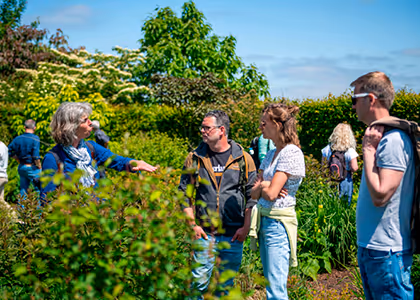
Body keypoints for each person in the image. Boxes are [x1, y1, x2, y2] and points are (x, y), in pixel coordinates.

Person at [178, 110, 257, 299]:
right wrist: (192, 225)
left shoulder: (243, 158)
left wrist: (246, 227)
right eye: (202, 127)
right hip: (205, 234)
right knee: (197, 284)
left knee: (225, 287)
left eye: (207, 128)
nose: (202, 131)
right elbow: (184, 194)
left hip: (233, 236)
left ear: (221, 130)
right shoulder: (195, 157)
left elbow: (252, 196)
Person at [351, 71, 414, 299]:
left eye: (354, 99)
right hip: (374, 249)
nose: (352, 106)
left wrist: (368, 151)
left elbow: (380, 195)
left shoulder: (393, 140)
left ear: (371, 99)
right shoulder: (383, 138)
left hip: (387, 252)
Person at [41, 102, 157, 204]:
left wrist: (135, 163)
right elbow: (47, 200)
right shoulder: (53, 158)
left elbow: (118, 161)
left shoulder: (91, 148)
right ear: (71, 126)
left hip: (97, 215)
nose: (90, 123)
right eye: (85, 120)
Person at [249, 103, 305, 300]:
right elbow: (254, 192)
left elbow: (271, 194)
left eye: (263, 123)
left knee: (276, 289)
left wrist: (264, 187)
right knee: (271, 285)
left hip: (278, 224)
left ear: (277, 124)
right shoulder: (272, 154)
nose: (260, 128)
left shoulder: (291, 153)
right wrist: (266, 185)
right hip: (265, 220)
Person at [321, 123, 359, 205]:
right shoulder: (349, 150)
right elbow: (355, 167)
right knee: (345, 205)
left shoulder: (327, 149)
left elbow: (323, 166)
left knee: (332, 203)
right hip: (345, 179)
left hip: (332, 180)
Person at [8, 119, 41, 196]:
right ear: (34, 128)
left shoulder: (17, 139)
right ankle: (39, 208)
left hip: (22, 167)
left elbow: (8, 150)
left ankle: (21, 207)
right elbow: (36, 155)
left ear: (24, 127)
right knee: (38, 190)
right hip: (32, 167)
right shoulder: (35, 138)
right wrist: (39, 166)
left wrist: (16, 158)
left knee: (23, 190)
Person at [0, 140, 18, 221]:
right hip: (3, 176)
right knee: (1, 201)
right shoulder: (3, 146)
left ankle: (13, 217)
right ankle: (13, 218)